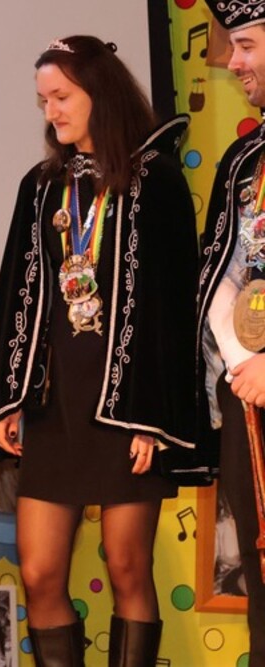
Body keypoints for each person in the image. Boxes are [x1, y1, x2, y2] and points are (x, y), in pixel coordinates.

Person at [0, 36, 199, 666]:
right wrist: (10, 396)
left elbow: (172, 309)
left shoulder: (156, 181)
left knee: (126, 565)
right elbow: (18, 294)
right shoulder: (42, 186)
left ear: (101, 92)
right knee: (40, 572)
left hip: (126, 407)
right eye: (44, 100)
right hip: (55, 404)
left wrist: (151, 415)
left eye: (62, 97)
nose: (51, 112)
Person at [197, 3, 265, 663]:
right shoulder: (244, 159)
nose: (233, 62)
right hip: (249, 389)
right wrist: (243, 359)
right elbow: (223, 270)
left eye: (245, 45)